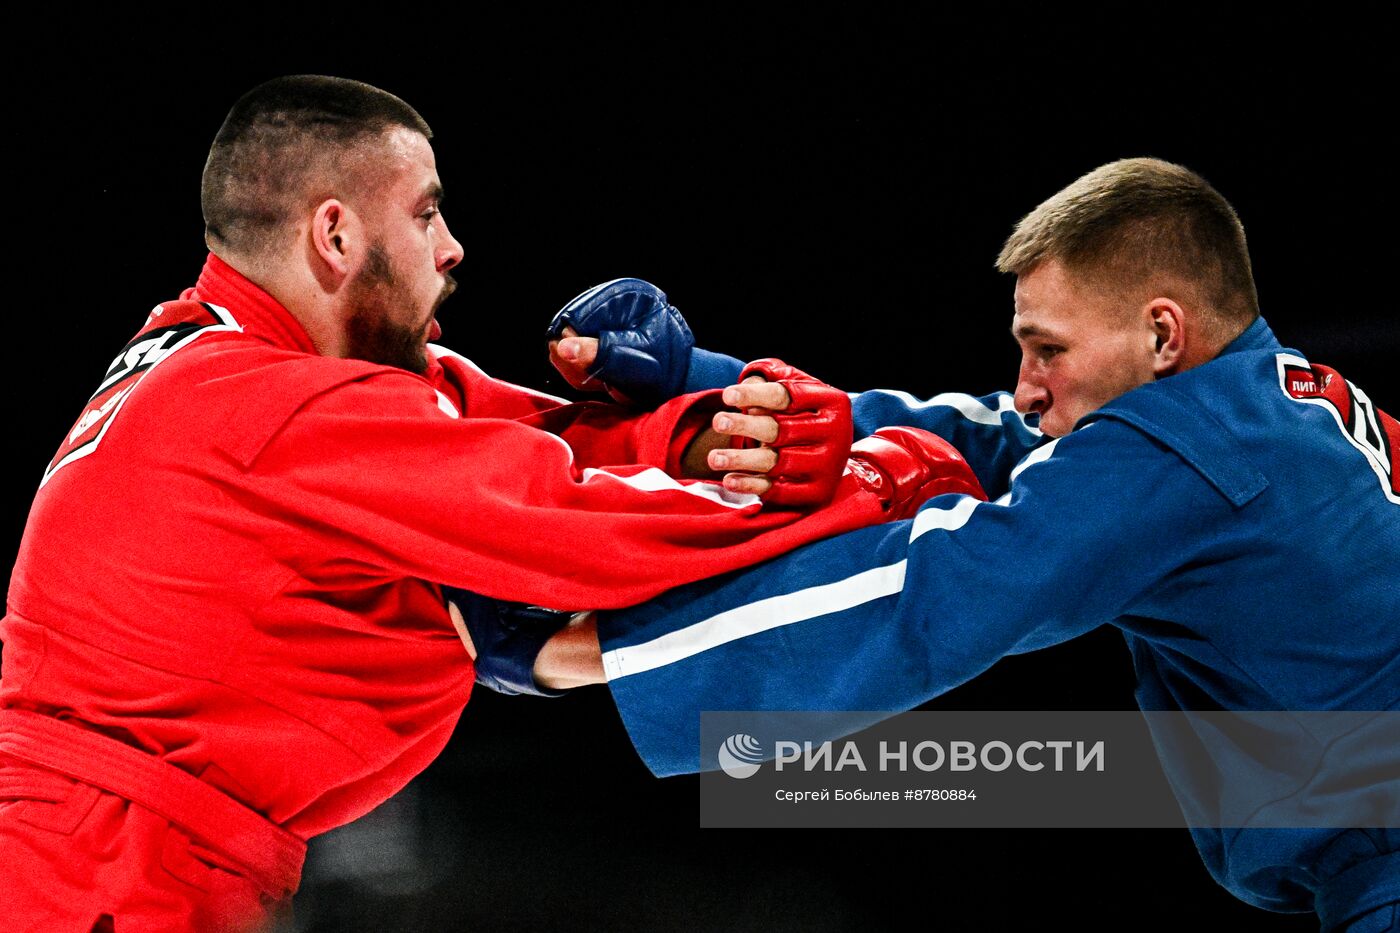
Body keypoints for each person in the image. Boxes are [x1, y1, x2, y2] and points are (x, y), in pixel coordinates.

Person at [0, 75, 984, 932]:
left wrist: (707, 426)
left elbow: (535, 438)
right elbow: (592, 530)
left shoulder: (231, 355)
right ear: (335, 233)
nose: (453, 247)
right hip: (104, 872)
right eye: (426, 213)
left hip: (111, 853)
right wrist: (873, 481)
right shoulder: (278, 407)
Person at [530, 158, 1399, 931]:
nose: (1025, 389)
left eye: (1047, 351)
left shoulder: (1187, 453)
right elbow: (982, 432)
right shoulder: (1273, 401)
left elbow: (936, 593)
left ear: (1162, 335)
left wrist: (597, 651)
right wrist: (706, 386)